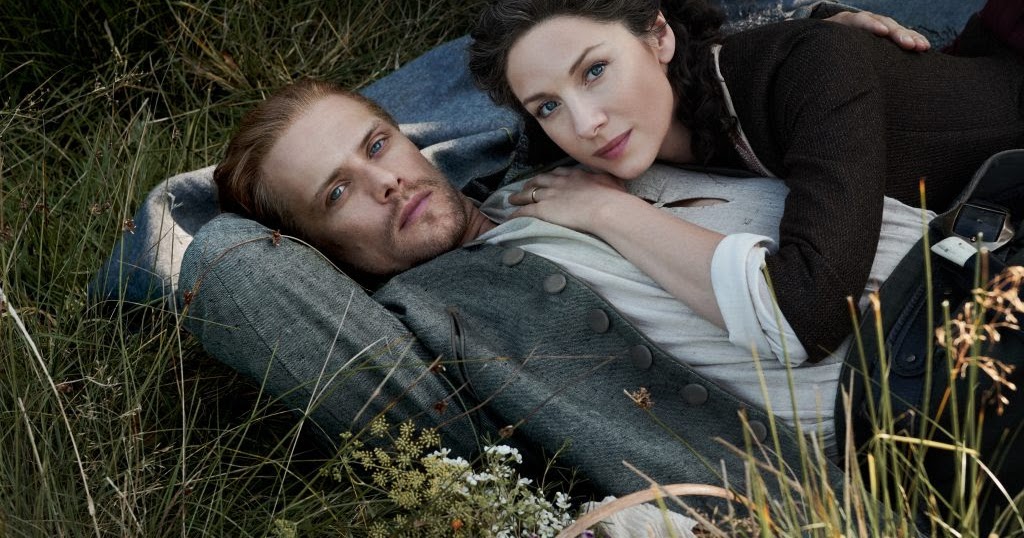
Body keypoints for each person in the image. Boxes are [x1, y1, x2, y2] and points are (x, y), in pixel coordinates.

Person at [183, 77, 1024, 530]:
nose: (387, 182)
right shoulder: (436, 322)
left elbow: (678, 46)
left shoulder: (573, 138)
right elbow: (229, 265)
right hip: (930, 406)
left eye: (378, 145)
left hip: (992, 249)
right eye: (337, 194)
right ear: (319, 252)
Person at [466, 0, 1024, 367]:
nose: (586, 124)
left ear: (659, 36)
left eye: (595, 71)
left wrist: (605, 211)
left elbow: (808, 317)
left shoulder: (813, 69)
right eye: (548, 106)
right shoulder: (606, 132)